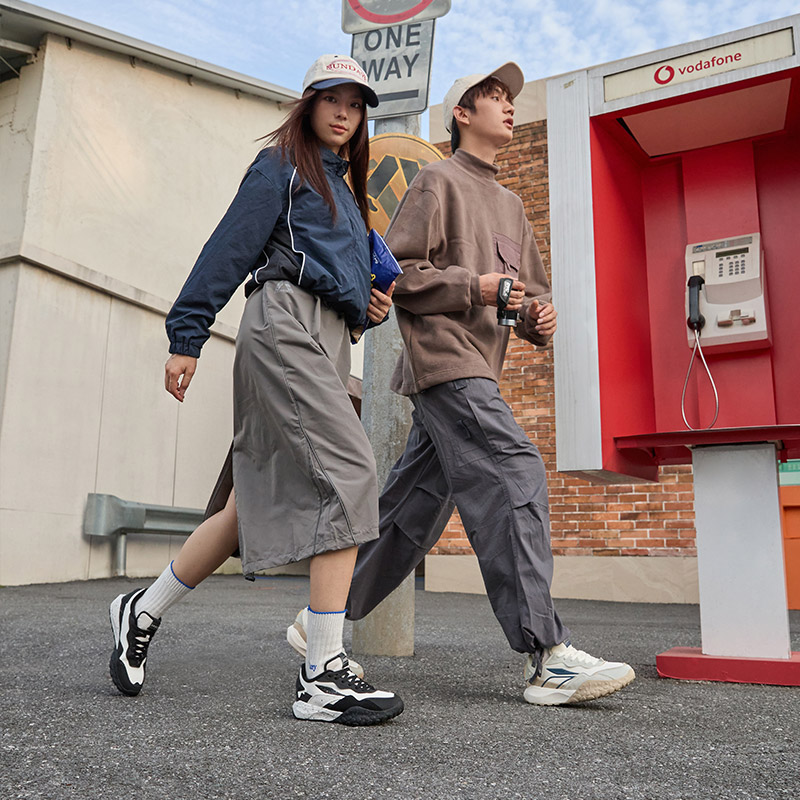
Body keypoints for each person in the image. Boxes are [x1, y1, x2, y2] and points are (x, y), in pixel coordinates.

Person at [287, 63, 635, 707]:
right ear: (462, 115)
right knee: (514, 468)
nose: (507, 107)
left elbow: (528, 293)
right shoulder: (435, 180)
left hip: (483, 360)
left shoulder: (510, 205)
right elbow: (400, 273)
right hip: (446, 362)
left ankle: (321, 620)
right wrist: (471, 286)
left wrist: (540, 316)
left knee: (409, 515)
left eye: (510, 100)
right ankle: (548, 655)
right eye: (493, 98)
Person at [108, 55, 403, 727]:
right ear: (307, 105)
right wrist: (187, 333)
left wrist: (364, 306)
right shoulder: (281, 166)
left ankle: (140, 609)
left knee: (251, 506)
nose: (343, 113)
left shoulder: (346, 194)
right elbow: (231, 246)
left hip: (327, 336)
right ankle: (323, 673)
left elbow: (341, 274)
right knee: (351, 473)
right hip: (284, 326)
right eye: (331, 100)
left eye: (355, 105)